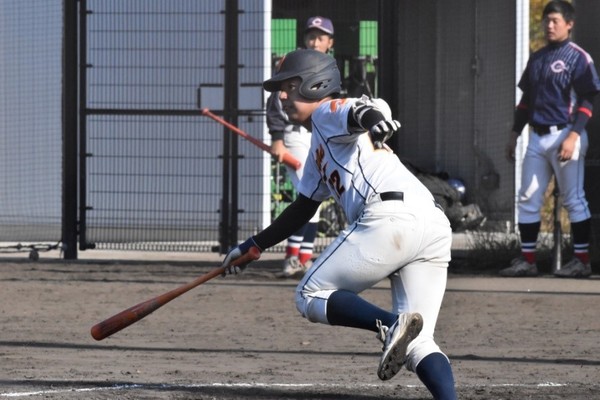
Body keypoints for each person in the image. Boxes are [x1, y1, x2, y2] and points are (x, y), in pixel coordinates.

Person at [223, 49, 457, 399]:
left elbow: (359, 110)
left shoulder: (325, 114)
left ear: (316, 84)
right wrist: (253, 245)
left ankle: (391, 324)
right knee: (418, 342)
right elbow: (302, 208)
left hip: (391, 220)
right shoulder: (319, 142)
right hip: (432, 225)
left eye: (290, 85)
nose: (281, 95)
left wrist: (375, 118)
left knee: (309, 294)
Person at [501, 0, 600, 278]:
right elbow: (526, 101)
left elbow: (587, 100)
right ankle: (527, 261)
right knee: (528, 197)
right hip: (537, 136)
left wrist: (573, 136)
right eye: (546, 20)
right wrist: (514, 134)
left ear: (569, 24)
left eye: (555, 20)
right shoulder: (537, 57)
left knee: (574, 200)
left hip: (566, 134)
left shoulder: (579, 57)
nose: (549, 25)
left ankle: (581, 261)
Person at [266, 16, 335, 278]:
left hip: (319, 134)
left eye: (320, 37)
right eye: (311, 36)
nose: (314, 41)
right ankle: (296, 258)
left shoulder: (330, 68)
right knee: (309, 194)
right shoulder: (293, 62)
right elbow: (276, 101)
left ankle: (301, 257)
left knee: (316, 196)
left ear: (330, 42)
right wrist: (277, 139)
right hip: (294, 135)